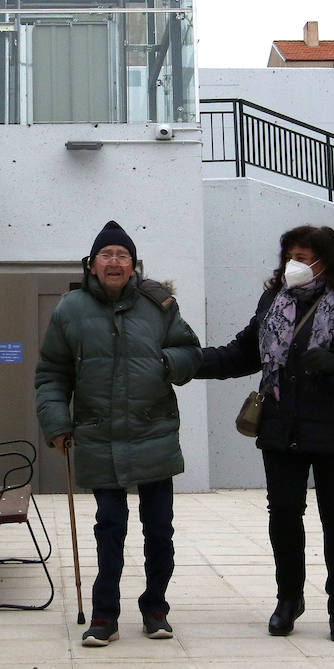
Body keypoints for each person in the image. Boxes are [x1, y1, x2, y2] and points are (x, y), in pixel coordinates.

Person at [197, 225, 334, 642]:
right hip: (281, 426)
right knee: (284, 516)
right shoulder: (274, 301)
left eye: (303, 258)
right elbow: (244, 352)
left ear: (327, 261)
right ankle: (289, 599)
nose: (294, 266)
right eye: (290, 257)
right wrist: (191, 363)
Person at [34, 220, 202, 647]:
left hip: (153, 433)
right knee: (110, 529)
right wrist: (56, 422)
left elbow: (190, 351)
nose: (114, 261)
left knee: (159, 531)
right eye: (105, 255)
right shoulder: (70, 308)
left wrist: (166, 363)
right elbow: (52, 372)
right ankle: (104, 615)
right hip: (98, 434)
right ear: (91, 265)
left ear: (133, 265)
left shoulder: (159, 304)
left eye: (121, 255)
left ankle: (155, 608)